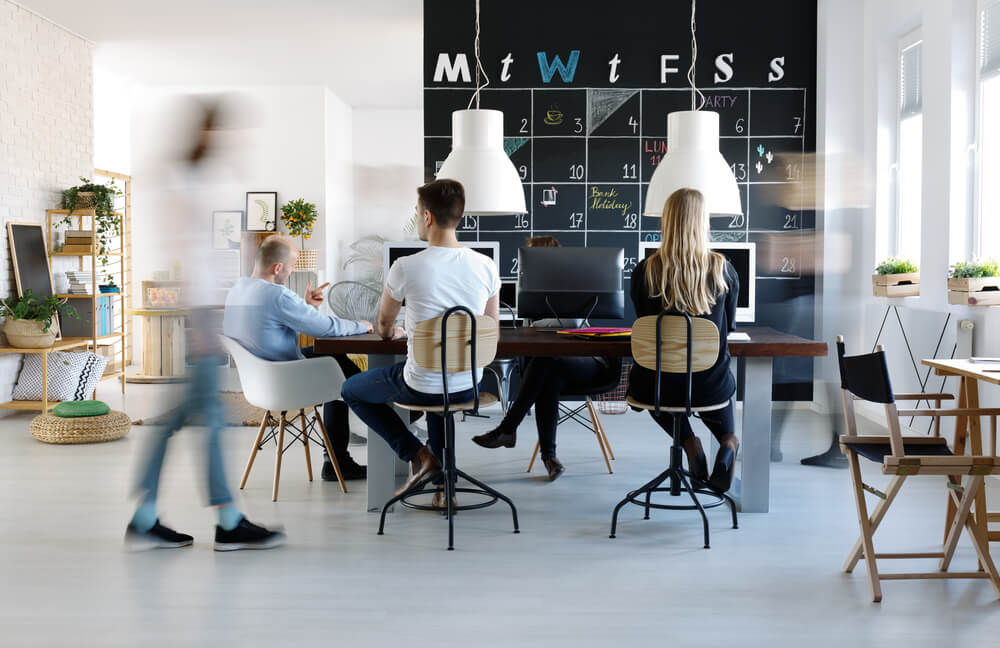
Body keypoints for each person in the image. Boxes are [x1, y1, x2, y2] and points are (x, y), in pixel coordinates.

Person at [126, 97, 285, 552]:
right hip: (198, 315)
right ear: (206, 134)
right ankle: (227, 521)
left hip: (203, 312)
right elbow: (187, 253)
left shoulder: (190, 179)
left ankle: (147, 517)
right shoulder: (180, 182)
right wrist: (202, 324)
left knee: (181, 419)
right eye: (225, 135)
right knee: (208, 420)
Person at [341, 179, 500, 508]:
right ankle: (446, 490)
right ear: (459, 215)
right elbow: (490, 327)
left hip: (421, 384)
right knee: (441, 397)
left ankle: (417, 453)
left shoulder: (406, 267)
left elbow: (384, 326)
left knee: (352, 391)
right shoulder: (486, 266)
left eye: (417, 212)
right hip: (468, 384)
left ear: (427, 217)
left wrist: (399, 333)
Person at [223, 236, 373, 480]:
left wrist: (306, 307)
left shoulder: (237, 291)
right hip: (286, 380)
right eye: (291, 267)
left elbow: (271, 326)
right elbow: (325, 328)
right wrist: (363, 325)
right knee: (335, 367)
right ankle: (377, 406)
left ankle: (339, 457)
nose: (291, 272)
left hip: (261, 378)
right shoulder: (277, 295)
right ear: (277, 268)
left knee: (331, 358)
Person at [472, 236, 621, 481]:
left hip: (592, 363)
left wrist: (539, 324)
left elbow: (572, 323)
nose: (524, 267)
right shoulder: (533, 295)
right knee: (547, 371)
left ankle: (508, 428)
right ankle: (549, 459)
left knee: (546, 363)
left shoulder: (572, 284)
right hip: (556, 369)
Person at [629, 187, 740, 493]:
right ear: (702, 223)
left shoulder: (645, 270)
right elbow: (727, 328)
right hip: (707, 385)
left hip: (656, 385)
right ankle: (728, 442)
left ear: (667, 222)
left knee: (658, 394)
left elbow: (644, 323)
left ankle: (690, 444)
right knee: (716, 379)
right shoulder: (722, 270)